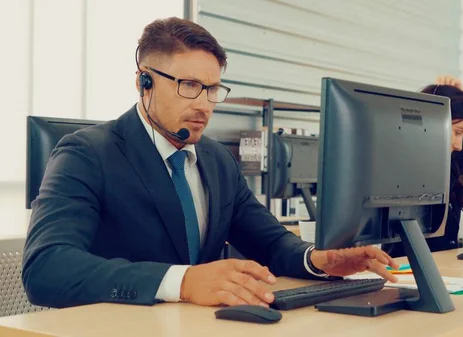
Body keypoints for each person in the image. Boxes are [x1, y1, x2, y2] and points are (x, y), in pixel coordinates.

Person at [22, 17, 398, 310]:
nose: (204, 104)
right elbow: (47, 268)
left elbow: (268, 242)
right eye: (189, 85)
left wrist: (317, 261)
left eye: (212, 89)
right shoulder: (86, 155)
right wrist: (181, 282)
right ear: (144, 83)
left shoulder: (217, 160)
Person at [386, 77, 463, 257]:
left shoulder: (455, 161)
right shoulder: (397, 165)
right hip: (407, 269)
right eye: (457, 132)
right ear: (435, 121)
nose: (459, 145)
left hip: (448, 267)